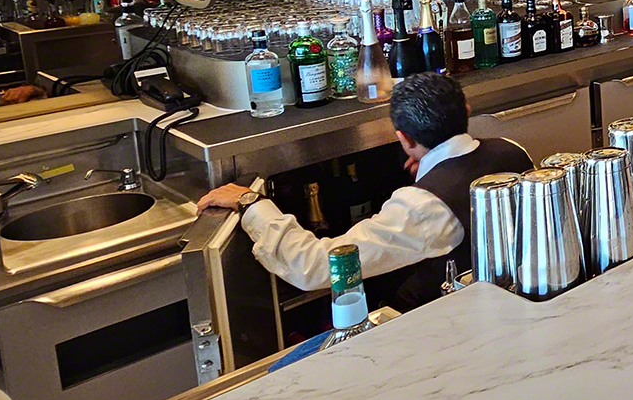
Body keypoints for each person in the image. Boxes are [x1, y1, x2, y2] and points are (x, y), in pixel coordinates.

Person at [199, 72, 530, 311]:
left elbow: (315, 267)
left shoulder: (421, 207)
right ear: (466, 112)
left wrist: (251, 203)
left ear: (403, 138)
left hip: (453, 321)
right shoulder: (511, 149)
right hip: (515, 300)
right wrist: (431, 167)